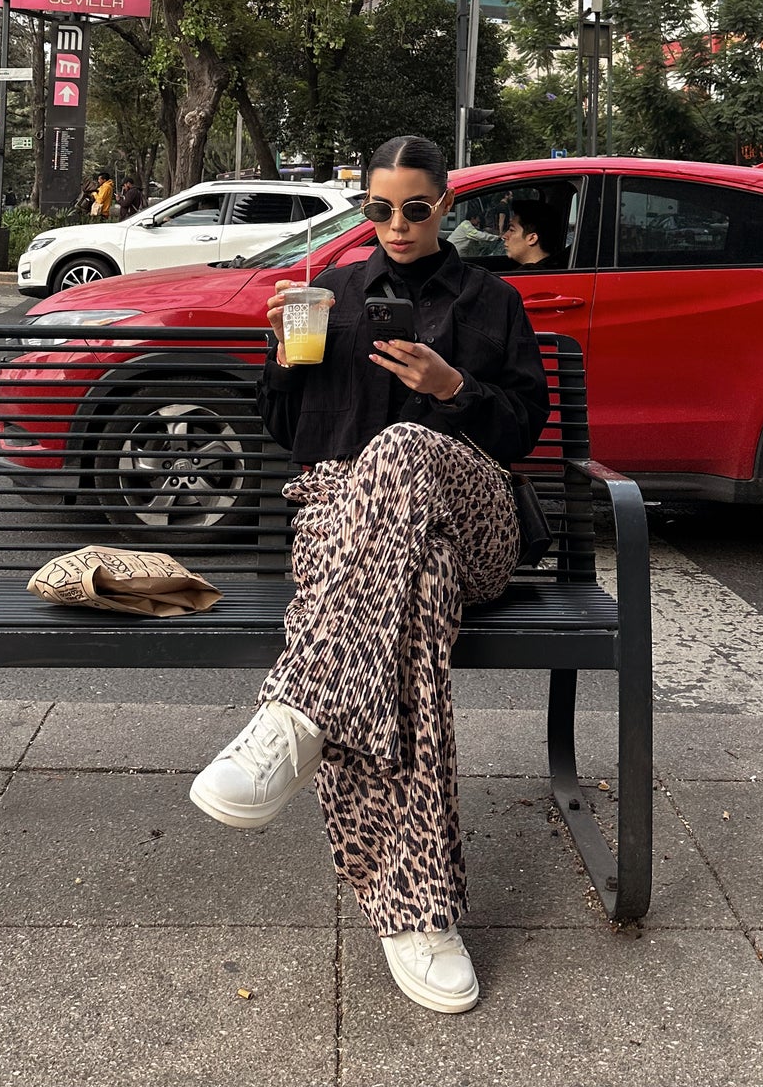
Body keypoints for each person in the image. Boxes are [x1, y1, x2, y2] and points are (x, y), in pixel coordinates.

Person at [189, 134, 549, 1016]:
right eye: (377, 209)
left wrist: (454, 386)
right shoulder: (329, 293)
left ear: (447, 206)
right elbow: (286, 432)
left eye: (415, 209)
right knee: (405, 610)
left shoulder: (490, 300)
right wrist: (280, 353)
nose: (395, 225)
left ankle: (299, 711)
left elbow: (521, 433)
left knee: (403, 446)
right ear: (360, 208)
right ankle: (416, 913)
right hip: (346, 528)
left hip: (473, 524)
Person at [499, 193, 567, 271]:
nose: (504, 236)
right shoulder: (552, 269)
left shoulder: (525, 278)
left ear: (532, 238)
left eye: (511, 230)